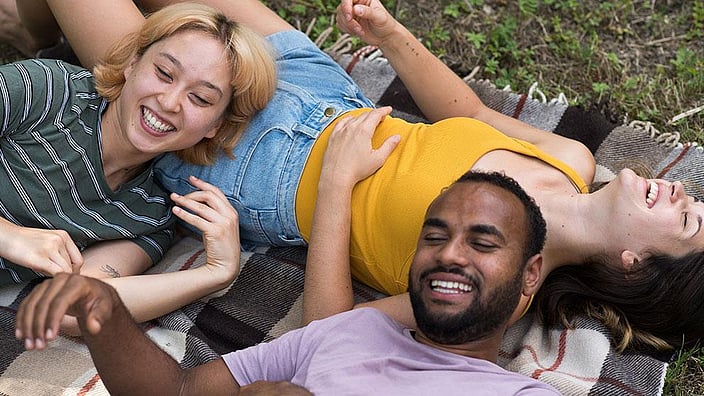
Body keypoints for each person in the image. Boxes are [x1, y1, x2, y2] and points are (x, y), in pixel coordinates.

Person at [12, 0, 704, 352]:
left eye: (683, 218)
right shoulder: (573, 161)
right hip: (324, 89)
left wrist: (339, 181)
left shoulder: (501, 285)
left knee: (131, 41)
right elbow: (462, 112)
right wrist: (390, 35)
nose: (680, 191)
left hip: (252, 162)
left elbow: (327, 327)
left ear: (634, 264)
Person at [14, 169, 560, 395]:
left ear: (530, 273)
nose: (450, 257)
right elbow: (181, 392)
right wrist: (102, 308)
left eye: (483, 244)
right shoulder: (344, 334)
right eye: (434, 238)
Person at [0, 2, 278, 329]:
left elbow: (74, 310)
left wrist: (215, 273)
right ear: (133, 64)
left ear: (216, 126)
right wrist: (9, 236)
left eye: (200, 98)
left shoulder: (148, 216)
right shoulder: (47, 91)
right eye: (164, 73)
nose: (170, 102)